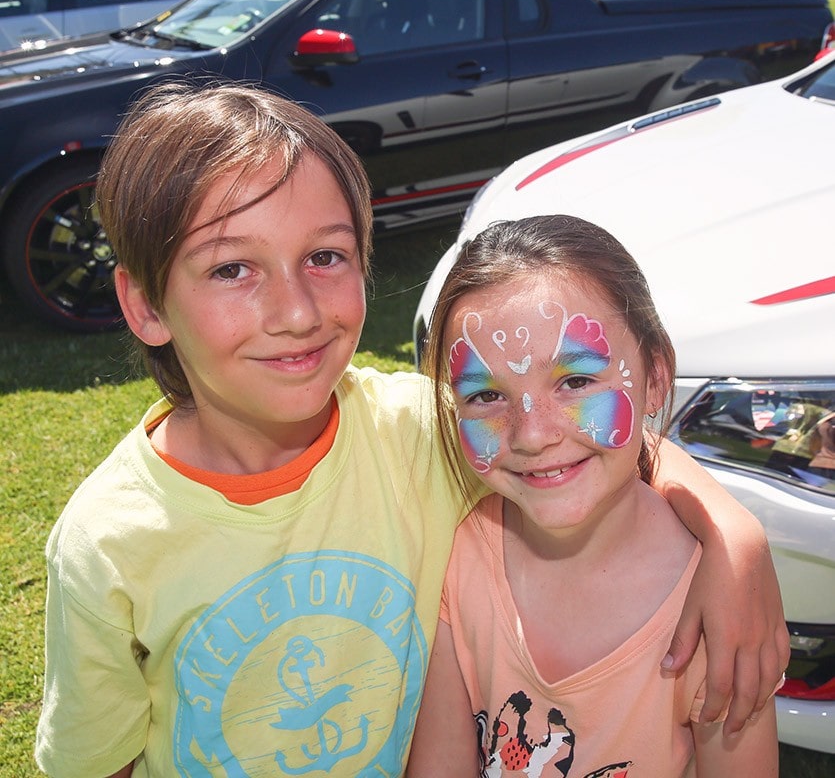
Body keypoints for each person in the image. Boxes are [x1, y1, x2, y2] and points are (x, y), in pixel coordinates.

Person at [34, 84, 786, 778]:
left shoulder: (415, 432)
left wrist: (731, 536)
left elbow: (576, 440)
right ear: (145, 307)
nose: (296, 311)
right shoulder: (106, 541)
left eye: (324, 256)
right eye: (232, 268)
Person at [407, 215, 780, 777]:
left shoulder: (713, 609)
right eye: (487, 395)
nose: (532, 435)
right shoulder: (461, 556)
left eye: (576, 381)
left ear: (655, 377)